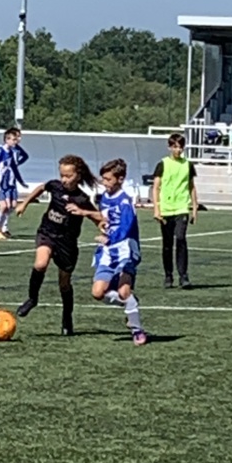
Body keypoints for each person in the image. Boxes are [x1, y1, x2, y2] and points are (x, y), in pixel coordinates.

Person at [15, 155, 97, 336]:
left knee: (64, 284)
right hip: (47, 233)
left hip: (67, 242)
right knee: (40, 263)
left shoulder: (82, 198)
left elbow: (95, 216)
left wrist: (102, 228)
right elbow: (40, 188)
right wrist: (24, 203)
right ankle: (32, 299)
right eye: (62, 175)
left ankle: (67, 317)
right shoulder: (55, 186)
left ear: (78, 175)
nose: (64, 179)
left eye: (68, 176)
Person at [68, 158, 147, 346]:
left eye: (108, 179)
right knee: (97, 292)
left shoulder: (125, 201)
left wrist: (110, 238)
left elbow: (127, 225)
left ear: (120, 179)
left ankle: (137, 329)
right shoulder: (104, 198)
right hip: (107, 252)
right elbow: (105, 218)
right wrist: (89, 215)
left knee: (123, 289)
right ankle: (130, 304)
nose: (105, 183)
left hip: (126, 250)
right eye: (103, 179)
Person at [152, 132, 198, 290]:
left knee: (180, 239)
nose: (178, 150)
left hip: (181, 207)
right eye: (175, 147)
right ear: (169, 147)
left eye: (180, 147)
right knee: (167, 243)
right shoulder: (163, 164)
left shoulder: (188, 165)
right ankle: (168, 275)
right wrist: (156, 209)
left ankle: (183, 276)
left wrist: (195, 207)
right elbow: (156, 187)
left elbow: (191, 186)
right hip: (166, 209)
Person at [0, 127, 28, 240]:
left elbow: (14, 168)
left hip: (6, 183)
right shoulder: (0, 151)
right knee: (4, 206)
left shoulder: (10, 153)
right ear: (7, 140)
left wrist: (21, 182)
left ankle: (0, 230)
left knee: (10, 206)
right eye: (14, 139)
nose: (16, 141)